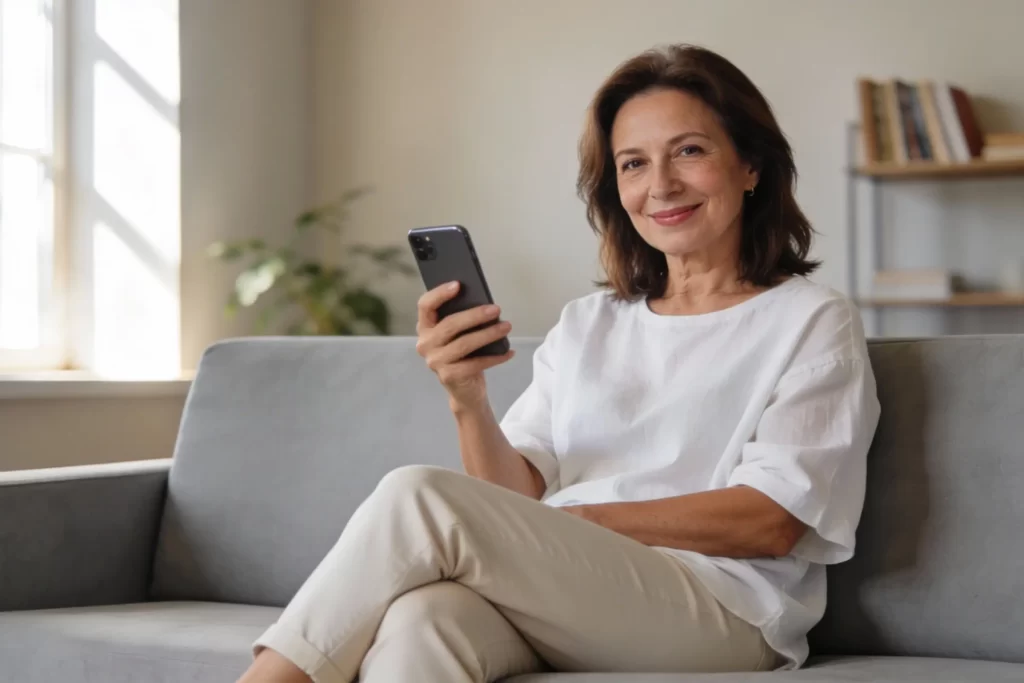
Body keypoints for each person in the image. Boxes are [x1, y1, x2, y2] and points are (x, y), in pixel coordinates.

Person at [236, 44, 880, 683]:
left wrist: (577, 524)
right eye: (633, 163)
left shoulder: (813, 320)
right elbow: (512, 498)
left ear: (749, 166)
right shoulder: (587, 324)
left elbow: (773, 521)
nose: (661, 186)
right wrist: (466, 397)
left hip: (727, 610)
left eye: (689, 151)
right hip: (581, 591)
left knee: (416, 493)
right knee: (426, 619)